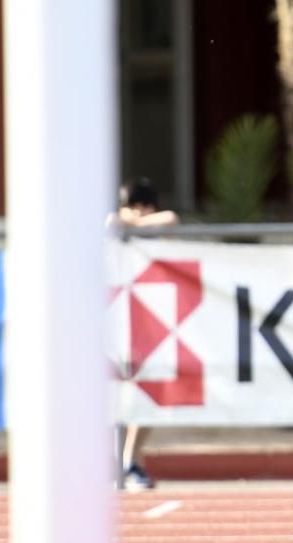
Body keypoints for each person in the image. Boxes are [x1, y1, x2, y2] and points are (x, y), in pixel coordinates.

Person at [113, 178, 179, 491]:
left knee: (150, 390)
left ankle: (130, 461)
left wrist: (138, 221)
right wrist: (132, 220)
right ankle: (113, 463)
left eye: (146, 206)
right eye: (133, 205)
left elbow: (171, 219)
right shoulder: (112, 224)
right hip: (111, 321)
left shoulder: (156, 226)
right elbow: (113, 220)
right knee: (112, 392)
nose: (140, 212)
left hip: (148, 321)